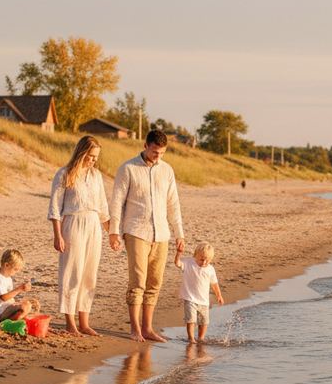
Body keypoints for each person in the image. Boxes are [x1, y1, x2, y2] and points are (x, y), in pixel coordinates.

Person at [109, 129, 184, 342]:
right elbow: (117, 201)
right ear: (145, 146)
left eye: (161, 153)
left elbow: (173, 203)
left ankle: (148, 328)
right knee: (138, 281)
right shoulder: (128, 168)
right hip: (136, 231)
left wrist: (179, 234)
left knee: (155, 282)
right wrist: (114, 231)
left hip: (161, 233)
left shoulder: (167, 170)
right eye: (154, 152)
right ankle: (135, 329)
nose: (157, 156)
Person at [48, 135, 110, 336]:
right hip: (73, 223)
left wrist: (113, 234)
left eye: (96, 157)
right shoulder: (64, 174)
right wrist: (58, 235)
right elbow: (55, 208)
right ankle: (70, 322)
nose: (93, 160)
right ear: (82, 152)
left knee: (89, 275)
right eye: (90, 156)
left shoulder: (96, 176)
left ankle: (84, 322)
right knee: (72, 273)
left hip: (94, 224)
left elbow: (102, 208)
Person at [174, 241, 224, 343]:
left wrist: (219, 296)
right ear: (195, 255)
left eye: (208, 260)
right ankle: (191, 338)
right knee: (191, 319)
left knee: (204, 321)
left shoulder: (210, 269)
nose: (204, 263)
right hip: (190, 298)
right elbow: (177, 263)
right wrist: (178, 253)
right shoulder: (188, 262)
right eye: (202, 260)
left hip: (204, 301)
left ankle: (201, 337)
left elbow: (214, 283)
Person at [0, 248, 40, 325]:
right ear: (6, 265)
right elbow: (3, 297)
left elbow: (9, 297)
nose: (16, 272)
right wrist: (19, 289)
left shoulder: (8, 278)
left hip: (3, 309)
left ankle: (12, 322)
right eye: (15, 269)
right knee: (25, 306)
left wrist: (15, 303)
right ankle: (5, 324)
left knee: (27, 305)